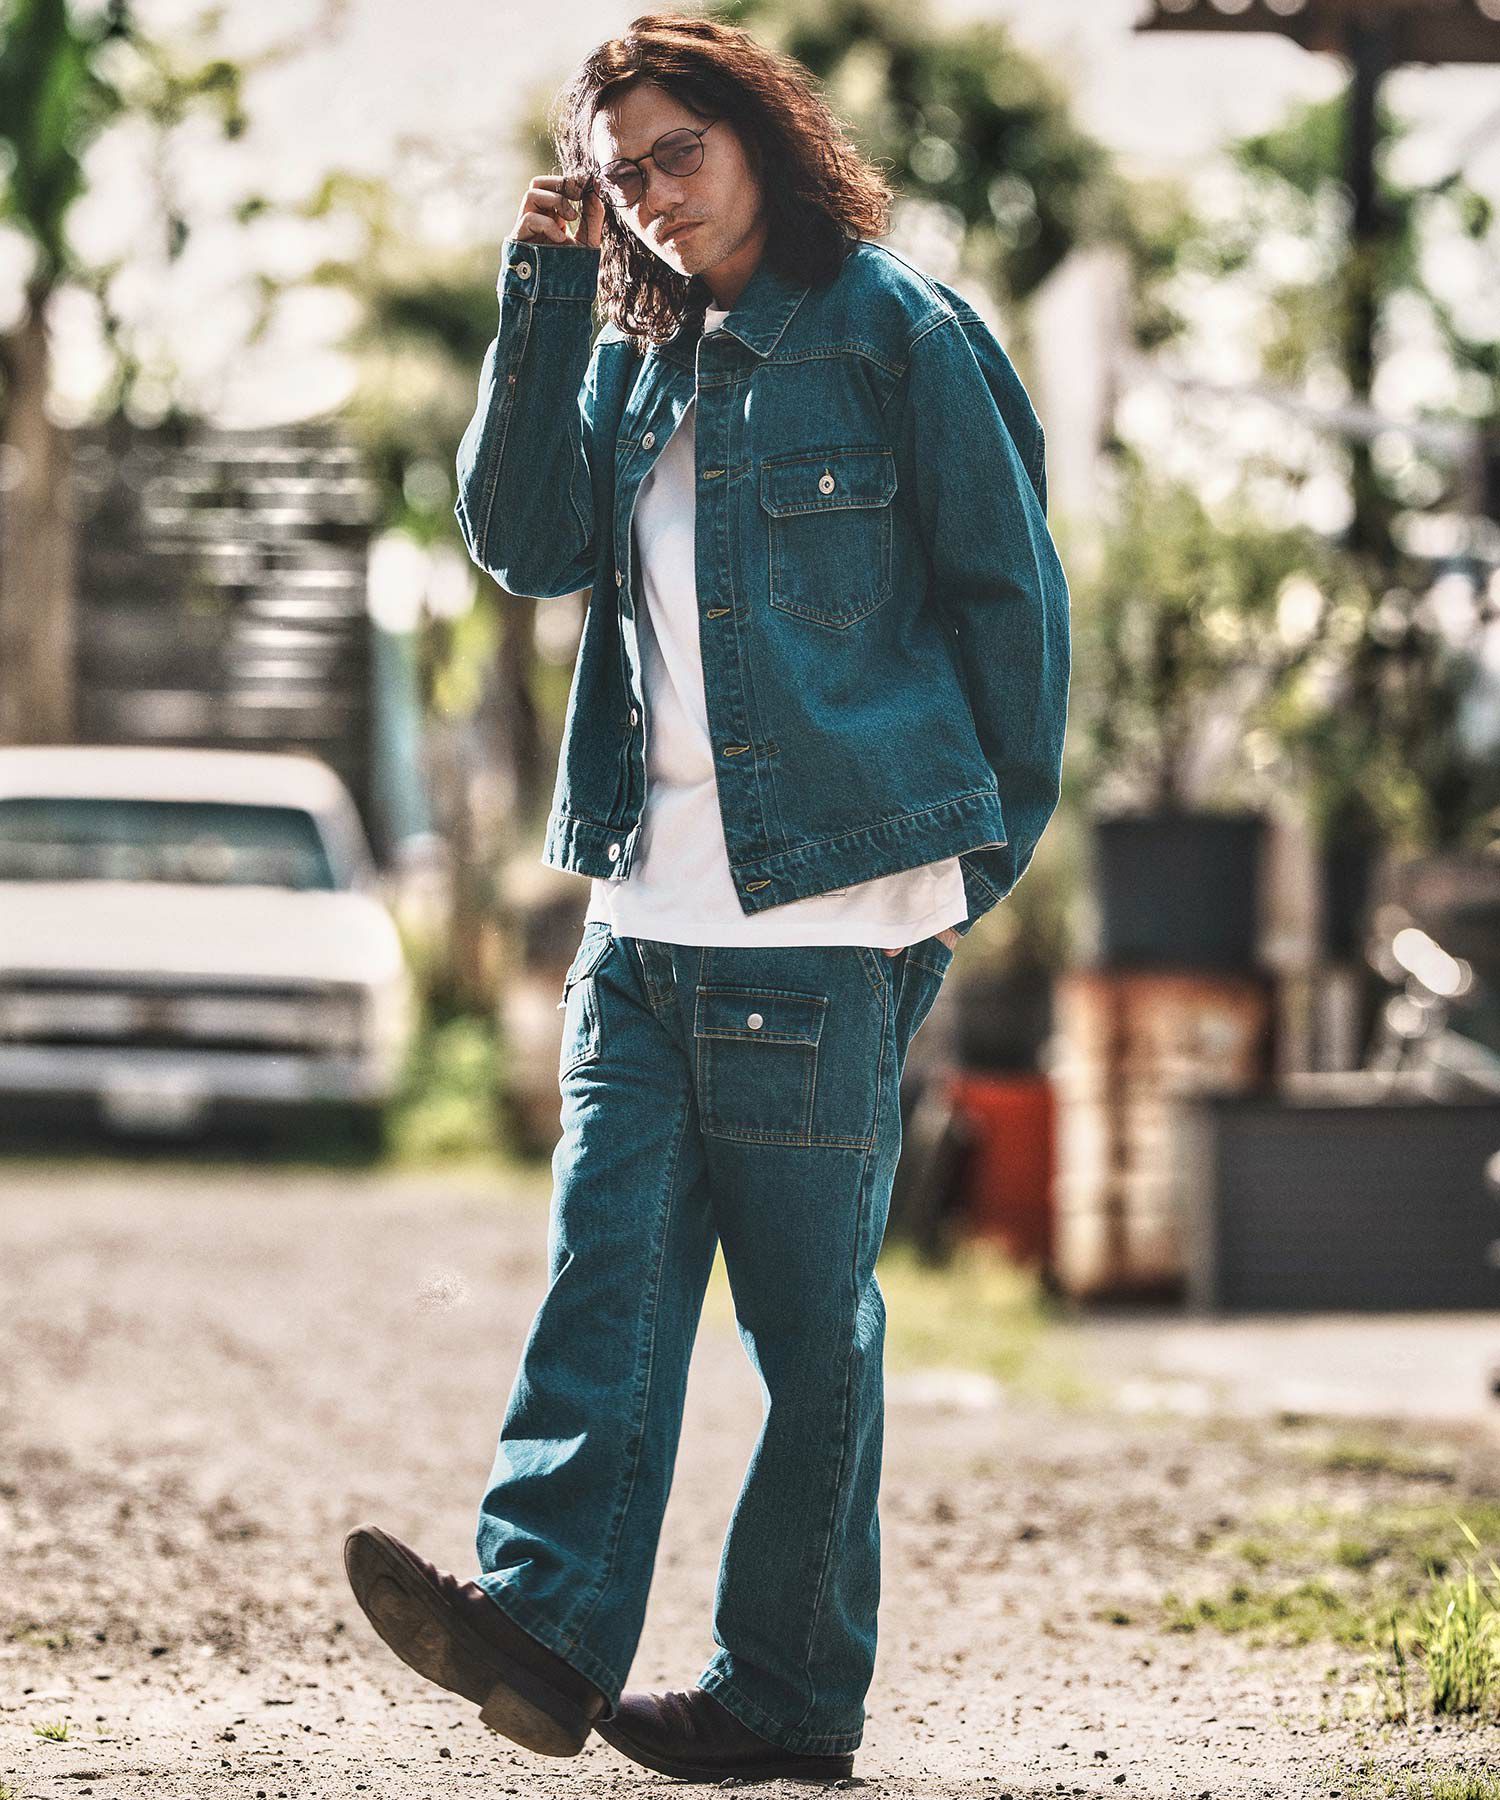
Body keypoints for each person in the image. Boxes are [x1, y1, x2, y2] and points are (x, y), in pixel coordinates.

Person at [344, 8, 1069, 1785]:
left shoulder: (898, 333)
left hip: (824, 929)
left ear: (758, 134)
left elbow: (1012, 601)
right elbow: (522, 542)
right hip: (638, 917)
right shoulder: (633, 356)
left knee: (809, 1339)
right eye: (621, 176)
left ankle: (786, 1701)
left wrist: (966, 866)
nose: (656, 194)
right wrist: (542, 293)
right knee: (603, 1281)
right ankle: (543, 1624)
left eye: (681, 150)